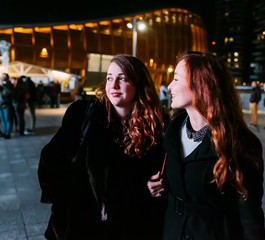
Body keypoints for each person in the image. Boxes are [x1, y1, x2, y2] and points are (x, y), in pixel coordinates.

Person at [38, 54, 168, 240]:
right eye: (109, 78)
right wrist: (66, 201)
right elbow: (50, 160)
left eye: (122, 78)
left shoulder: (156, 127)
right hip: (83, 224)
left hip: (129, 225)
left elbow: (158, 175)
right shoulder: (84, 115)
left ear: (139, 85)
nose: (113, 85)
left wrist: (156, 186)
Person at [147, 52, 265, 240]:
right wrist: (158, 186)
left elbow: (250, 216)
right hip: (172, 230)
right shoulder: (172, 129)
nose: (169, 86)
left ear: (199, 84)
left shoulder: (239, 142)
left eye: (176, 79)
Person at [0, 73, 14, 139]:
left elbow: (10, 92)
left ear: (7, 77)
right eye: (2, 76)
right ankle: (4, 132)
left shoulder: (10, 85)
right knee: (2, 120)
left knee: (7, 119)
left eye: (4, 76)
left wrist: (3, 85)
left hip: (6, 105)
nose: (3, 77)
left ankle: (7, 133)